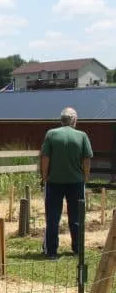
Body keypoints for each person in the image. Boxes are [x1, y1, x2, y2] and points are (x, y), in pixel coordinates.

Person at [40, 107, 93, 259]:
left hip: (54, 182)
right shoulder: (82, 136)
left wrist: (45, 176)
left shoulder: (51, 134)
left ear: (61, 120)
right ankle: (77, 249)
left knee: (53, 218)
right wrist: (86, 177)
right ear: (74, 120)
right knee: (76, 217)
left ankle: (51, 252)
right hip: (76, 182)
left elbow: (45, 157)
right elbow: (87, 159)